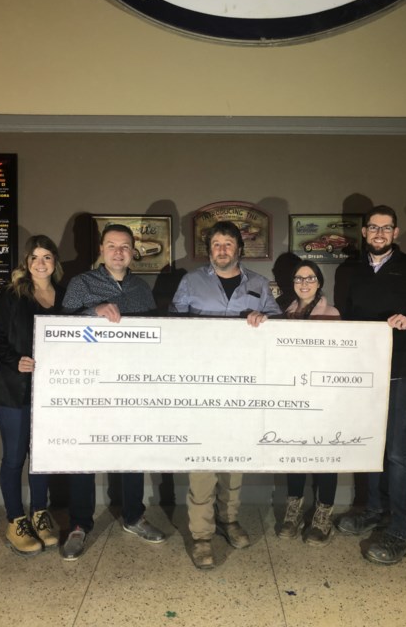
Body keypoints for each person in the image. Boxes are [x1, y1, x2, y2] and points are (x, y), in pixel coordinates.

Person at [337, 206, 406, 565]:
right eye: (373, 227)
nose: (380, 234)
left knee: (399, 452)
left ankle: (402, 530)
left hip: (399, 372)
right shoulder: (349, 271)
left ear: (396, 233)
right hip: (361, 375)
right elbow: (346, 317)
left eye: (387, 228)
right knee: (369, 446)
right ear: (364, 232)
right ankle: (373, 510)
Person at [170, 220, 282, 569]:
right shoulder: (191, 281)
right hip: (201, 385)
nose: (222, 250)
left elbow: (279, 327)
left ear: (238, 249)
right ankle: (202, 536)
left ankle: (228, 519)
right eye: (216, 244)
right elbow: (172, 325)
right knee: (203, 463)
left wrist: (264, 319)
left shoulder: (260, 284)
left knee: (235, 459)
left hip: (243, 385)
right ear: (209, 249)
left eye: (228, 244)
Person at [60, 224, 166, 560]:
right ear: (102, 250)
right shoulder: (82, 284)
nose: (118, 252)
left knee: (130, 451)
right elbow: (58, 329)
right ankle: (79, 525)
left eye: (125, 246)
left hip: (131, 385)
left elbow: (155, 336)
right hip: (88, 384)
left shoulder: (141, 287)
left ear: (133, 251)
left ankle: (133, 516)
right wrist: (93, 312)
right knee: (84, 455)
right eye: (112, 245)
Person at [0, 235, 65, 555]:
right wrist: (15, 360)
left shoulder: (64, 295)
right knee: (15, 457)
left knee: (42, 456)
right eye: (35, 257)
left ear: (54, 262)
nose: (41, 263)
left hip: (50, 389)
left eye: (47, 257)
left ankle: (40, 514)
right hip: (12, 388)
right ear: (26, 262)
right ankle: (16, 519)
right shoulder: (12, 294)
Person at [276, 261, 341, 546]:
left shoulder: (332, 314)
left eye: (310, 277)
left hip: (323, 397)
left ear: (319, 281)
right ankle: (294, 512)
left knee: (325, 455)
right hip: (292, 396)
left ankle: (323, 515)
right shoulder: (284, 313)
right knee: (295, 452)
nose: (304, 283)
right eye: (299, 278)